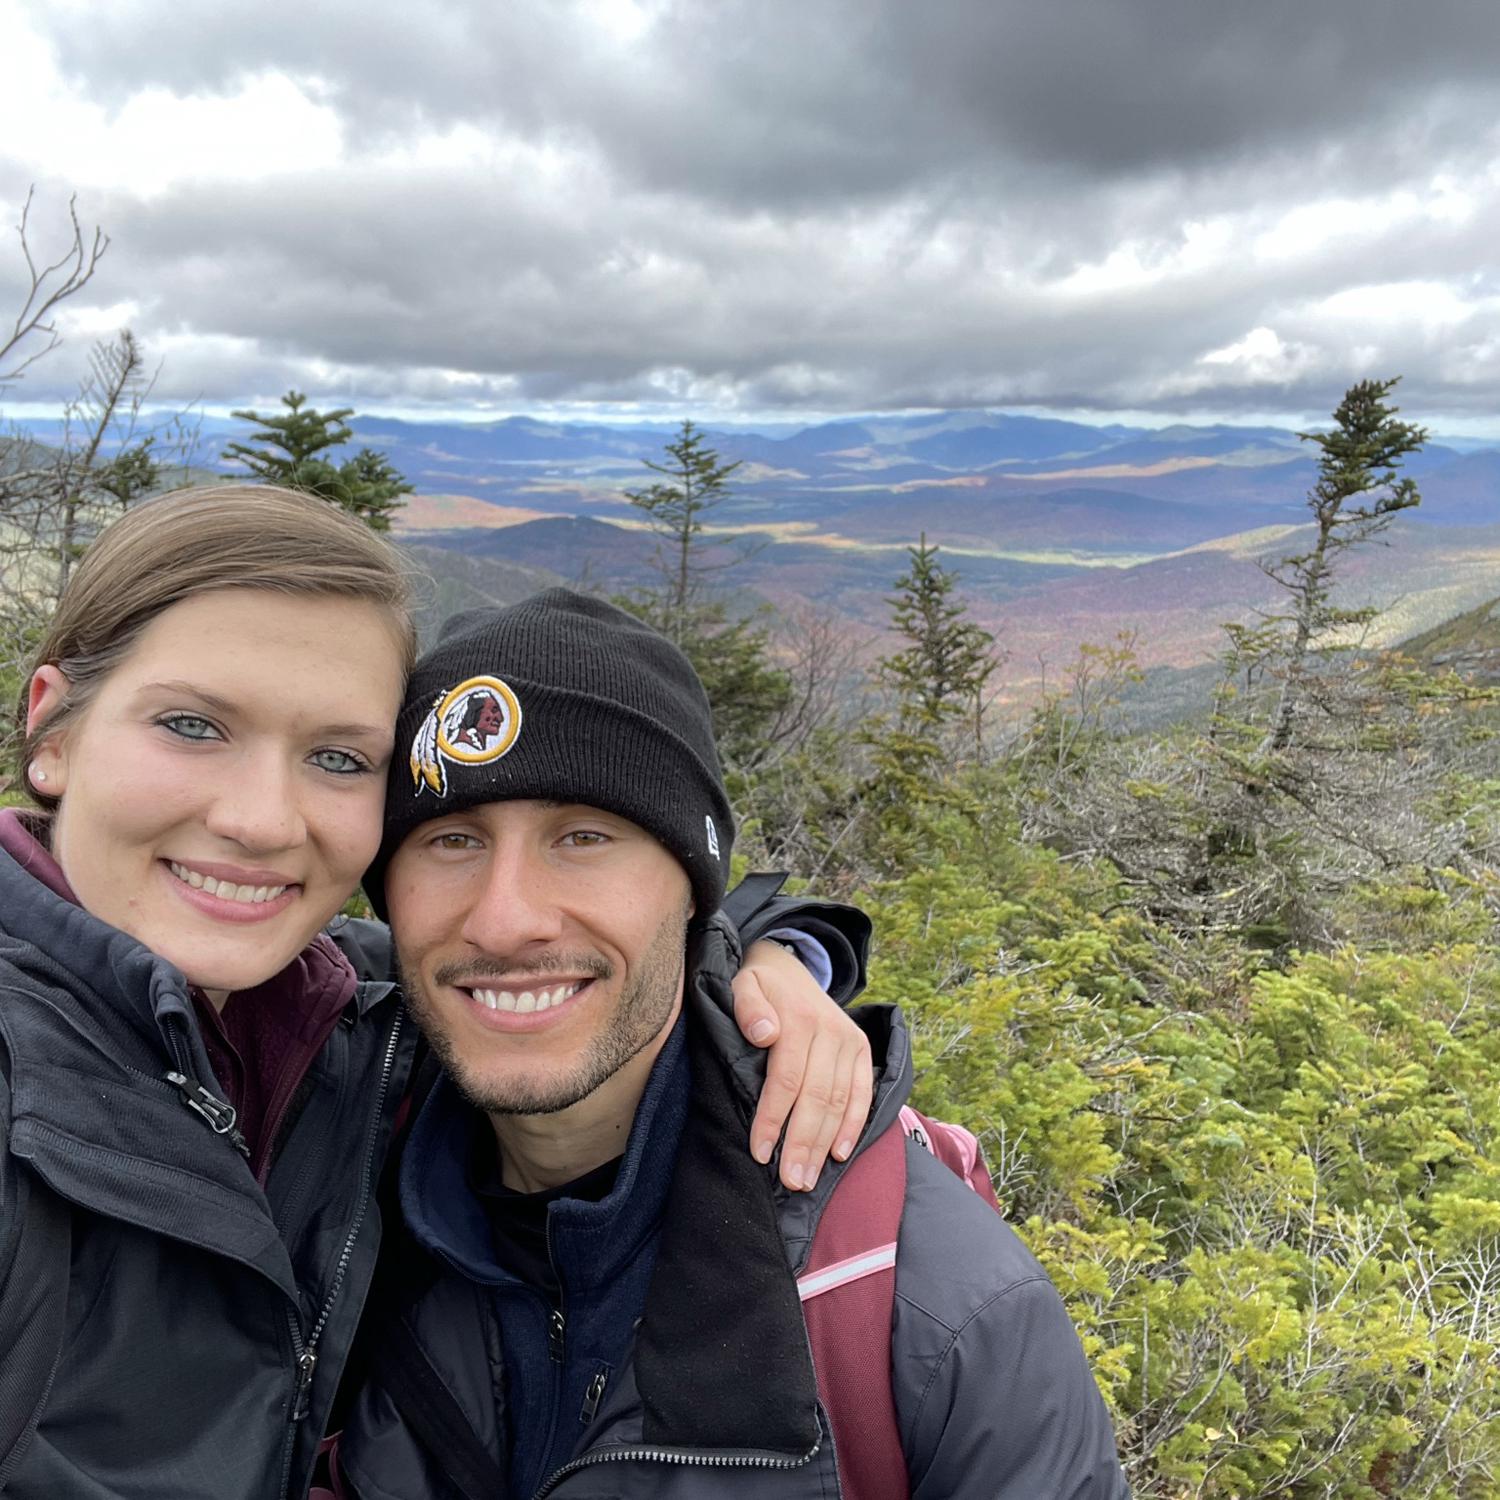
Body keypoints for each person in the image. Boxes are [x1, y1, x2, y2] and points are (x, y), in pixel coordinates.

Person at [0, 485, 874, 1500]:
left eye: (337, 758)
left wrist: (780, 963)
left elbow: (539, 944)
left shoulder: (334, 1024)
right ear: (52, 729)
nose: (262, 820)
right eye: (194, 726)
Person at [337, 590, 1131, 1500]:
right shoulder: (331, 1160)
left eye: (585, 836)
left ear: (691, 894)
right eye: (450, 839)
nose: (506, 917)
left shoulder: (930, 1309)